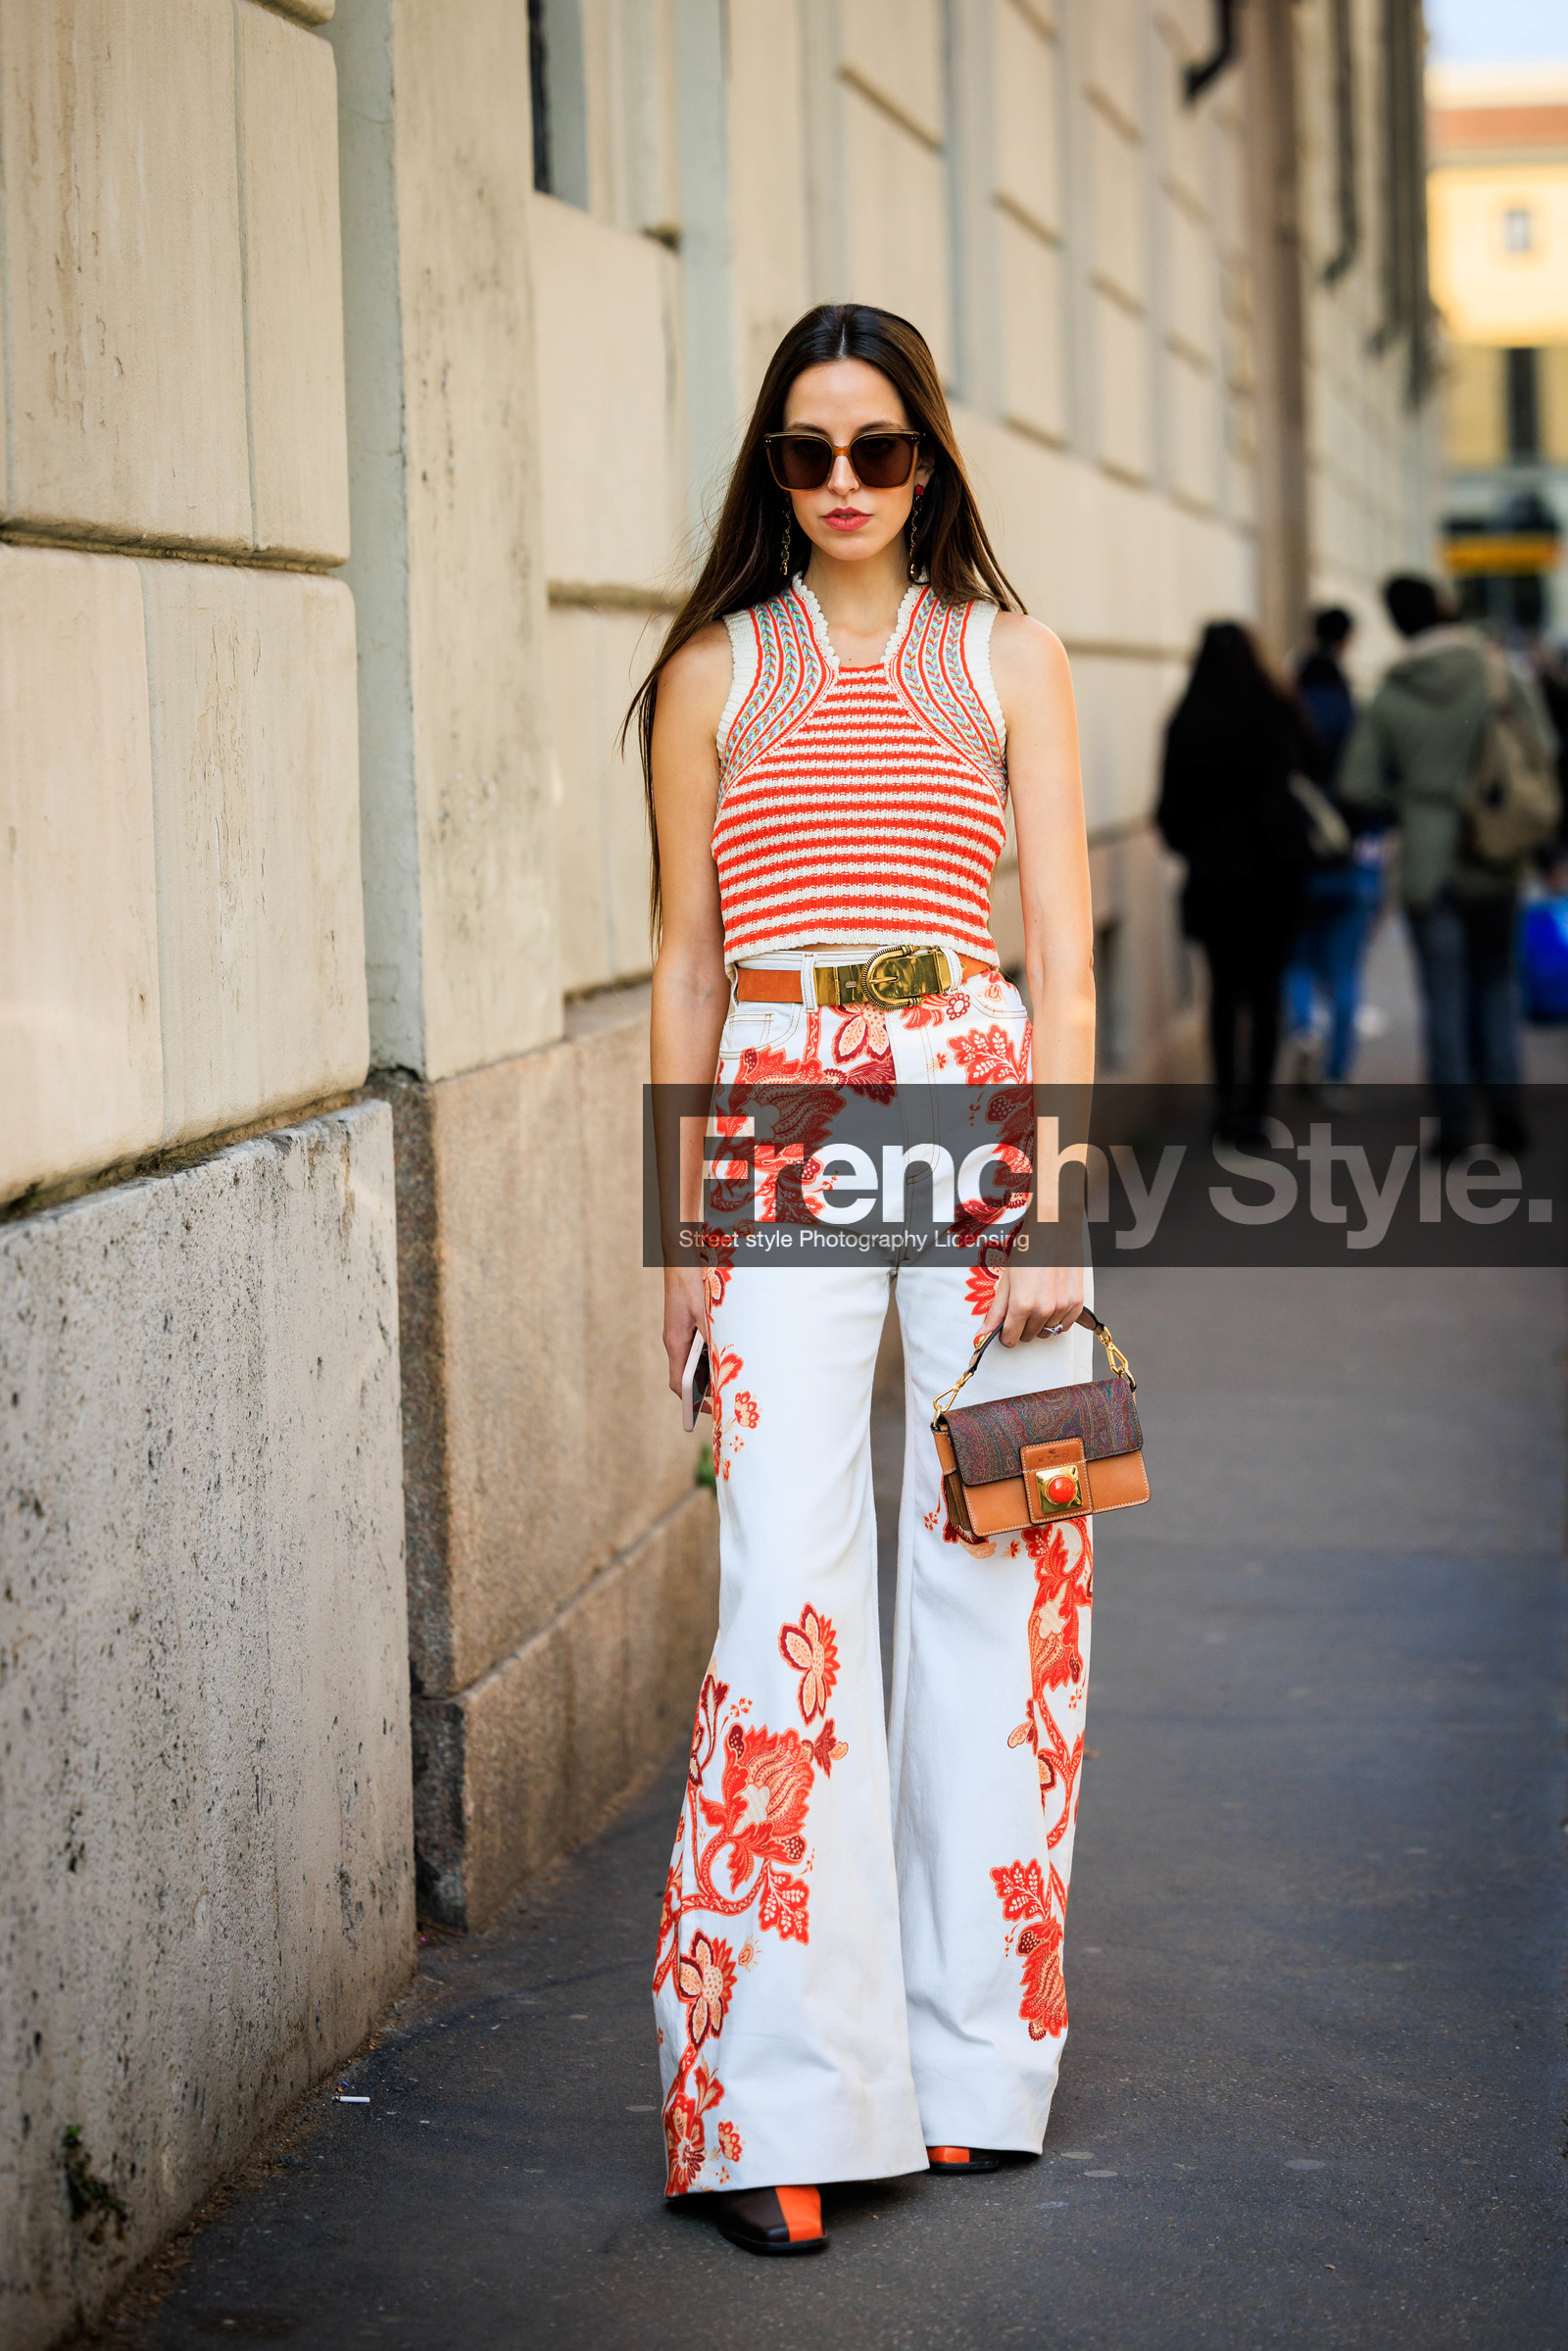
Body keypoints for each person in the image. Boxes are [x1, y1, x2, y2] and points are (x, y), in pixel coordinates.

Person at [632, 303, 1097, 2255]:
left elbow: (1061, 949)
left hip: (974, 1085)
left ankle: (973, 2054)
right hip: (776, 1104)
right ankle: (767, 2098)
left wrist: (1063, 1200)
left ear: (929, 463)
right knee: (784, 1585)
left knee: (1006, 1562)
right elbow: (677, 957)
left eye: (876, 449)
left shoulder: (1011, 658)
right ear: (769, 468)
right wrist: (672, 1221)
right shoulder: (707, 674)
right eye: (805, 452)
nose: (839, 484)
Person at [1339, 574, 1554, 1155]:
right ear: (1444, 609)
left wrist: (1412, 803)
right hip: (1499, 853)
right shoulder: (1498, 672)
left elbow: (1357, 785)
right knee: (1496, 981)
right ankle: (1505, 1109)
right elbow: (1542, 754)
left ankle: (1454, 1125)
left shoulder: (1392, 691)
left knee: (1443, 995)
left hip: (1428, 862)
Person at [1155, 621, 1324, 1140]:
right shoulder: (1277, 711)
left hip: (1214, 880)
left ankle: (1226, 1106)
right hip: (1276, 877)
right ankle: (1256, 1109)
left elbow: (1169, 814)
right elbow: (1313, 770)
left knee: (1224, 993)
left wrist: (1203, 847)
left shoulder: (1187, 720)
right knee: (1267, 991)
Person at [1283, 608, 1386, 1097]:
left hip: (1296, 863)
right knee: (1345, 971)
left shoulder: (1287, 715)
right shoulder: (1355, 716)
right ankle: (1337, 1075)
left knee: (1298, 960)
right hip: (1351, 862)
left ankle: (1304, 1025)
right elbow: (1375, 790)